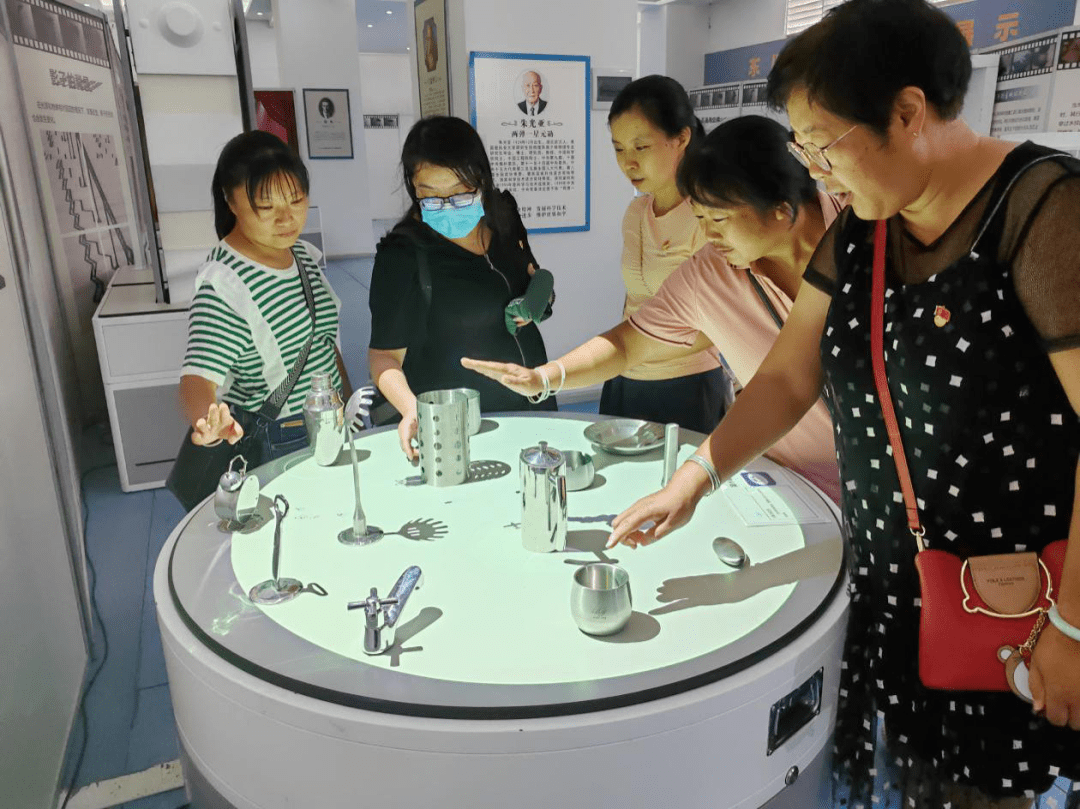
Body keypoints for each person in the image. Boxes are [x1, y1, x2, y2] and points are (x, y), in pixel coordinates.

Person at [607, 1, 1080, 807]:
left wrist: (1072, 626)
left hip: (1005, 606)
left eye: (824, 144)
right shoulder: (863, 229)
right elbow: (786, 379)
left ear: (909, 112)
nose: (816, 170)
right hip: (886, 588)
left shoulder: (1043, 213)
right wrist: (694, 478)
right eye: (803, 148)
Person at [463, 114, 844, 504]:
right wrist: (545, 377)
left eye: (718, 218)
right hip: (791, 483)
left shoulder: (862, 237)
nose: (709, 235)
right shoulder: (710, 273)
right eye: (699, 218)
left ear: (782, 208)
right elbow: (629, 342)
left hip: (875, 476)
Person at [368, 115, 555, 462]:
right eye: (430, 195)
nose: (446, 205)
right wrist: (411, 409)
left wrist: (539, 295)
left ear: (481, 179)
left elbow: (529, 273)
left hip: (532, 402)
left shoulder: (503, 216)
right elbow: (383, 356)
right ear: (413, 188)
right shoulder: (403, 255)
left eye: (458, 192)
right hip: (460, 426)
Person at [178, 130, 349, 458]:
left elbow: (323, 343)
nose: (286, 218)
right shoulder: (225, 284)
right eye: (266, 206)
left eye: (296, 200)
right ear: (231, 202)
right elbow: (196, 379)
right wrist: (209, 424)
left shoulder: (301, 255)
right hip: (283, 441)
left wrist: (350, 408)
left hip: (333, 424)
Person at [598, 74, 729, 435]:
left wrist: (631, 349)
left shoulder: (709, 217)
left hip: (686, 384)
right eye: (619, 149)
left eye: (641, 147)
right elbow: (634, 300)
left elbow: (718, 326)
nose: (628, 162)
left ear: (681, 138)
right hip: (625, 378)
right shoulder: (636, 213)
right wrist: (621, 358)